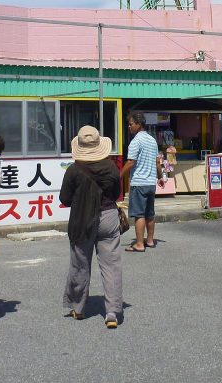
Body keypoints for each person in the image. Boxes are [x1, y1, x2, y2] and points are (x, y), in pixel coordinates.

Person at [59, 125, 123, 329]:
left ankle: (78, 309)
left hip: (82, 219)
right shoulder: (111, 167)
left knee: (80, 263)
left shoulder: (74, 170)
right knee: (111, 265)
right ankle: (112, 312)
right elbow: (115, 194)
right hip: (109, 217)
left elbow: (65, 198)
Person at [122, 111, 163, 252]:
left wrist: (118, 176)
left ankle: (139, 244)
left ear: (139, 124)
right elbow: (158, 162)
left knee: (139, 214)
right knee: (149, 214)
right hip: (151, 183)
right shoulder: (152, 140)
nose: (129, 127)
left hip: (139, 183)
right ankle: (150, 240)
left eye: (131, 124)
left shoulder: (136, 141)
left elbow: (130, 162)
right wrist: (161, 177)